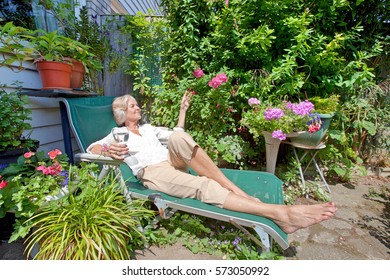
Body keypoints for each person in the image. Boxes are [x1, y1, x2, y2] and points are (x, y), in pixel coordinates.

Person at [87, 93, 337, 234]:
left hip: (172, 162)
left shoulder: (149, 128)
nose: (137, 106)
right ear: (121, 113)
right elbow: (91, 148)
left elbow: (179, 134)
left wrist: (183, 109)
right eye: (132, 105)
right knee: (203, 186)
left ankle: (233, 189)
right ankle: (280, 214)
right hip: (153, 172)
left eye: (136, 104)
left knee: (177, 137)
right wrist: (108, 149)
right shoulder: (117, 133)